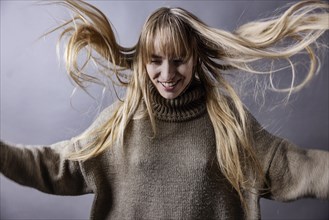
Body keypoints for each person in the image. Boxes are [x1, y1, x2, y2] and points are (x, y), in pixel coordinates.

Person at [1, 0, 328, 219]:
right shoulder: (121, 123)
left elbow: (291, 165)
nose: (167, 74)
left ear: (195, 57)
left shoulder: (226, 120)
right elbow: (57, 165)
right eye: (155, 61)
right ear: (143, 61)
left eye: (179, 60)